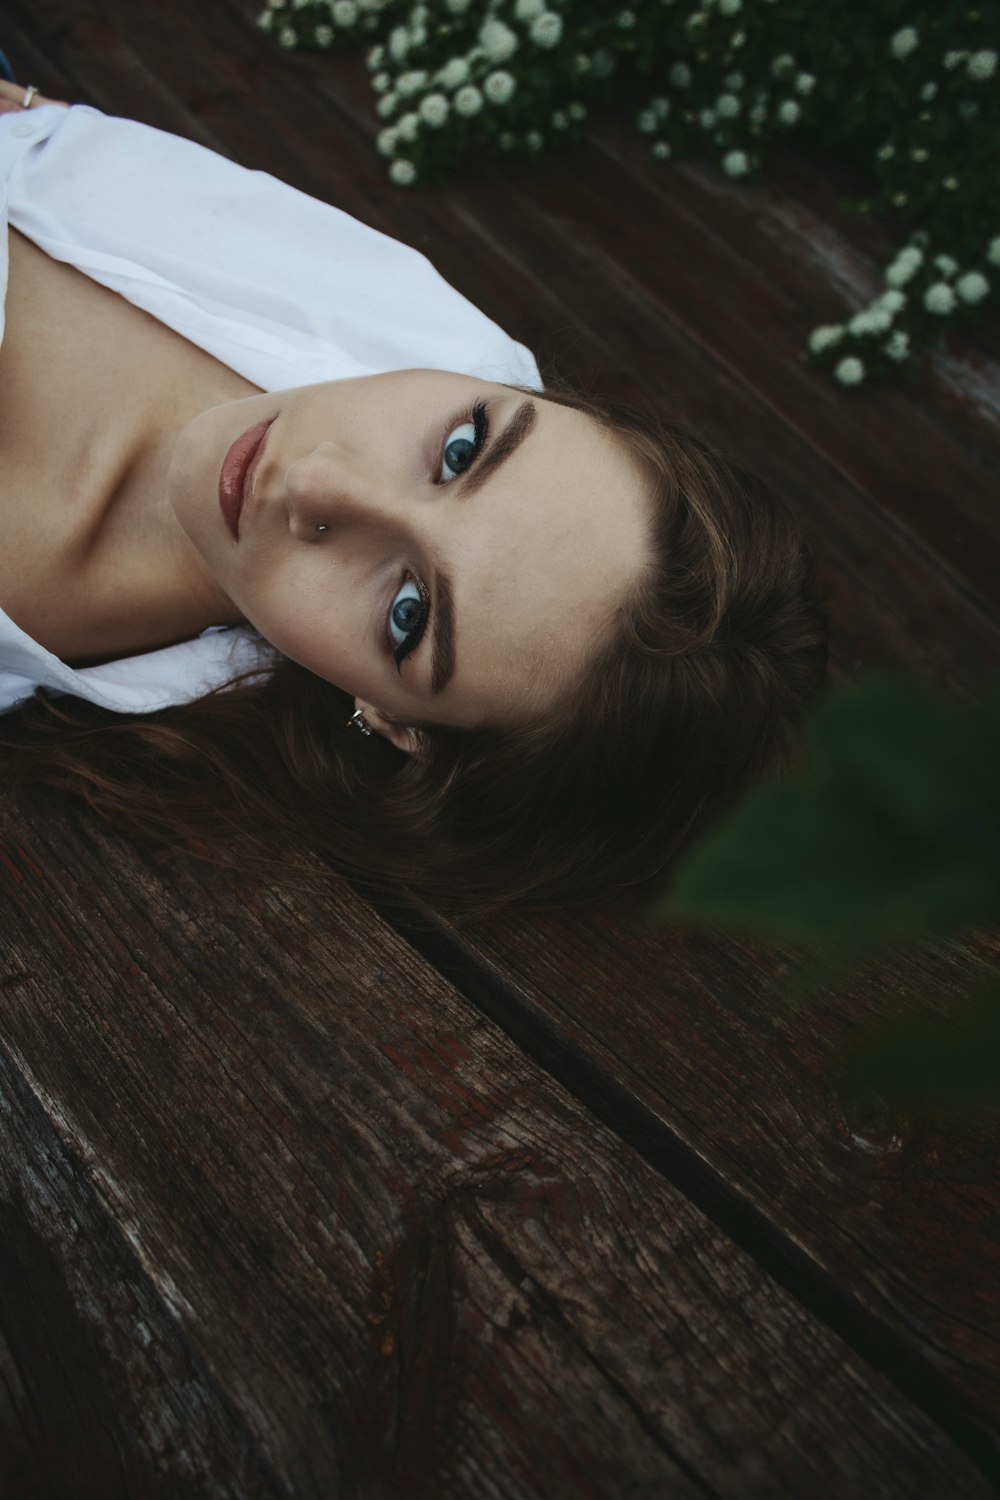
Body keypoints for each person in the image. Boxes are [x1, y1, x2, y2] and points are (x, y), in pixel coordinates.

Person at [0, 77, 830, 913]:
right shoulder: (437, 339)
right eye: (464, 450)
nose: (319, 479)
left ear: (397, 725)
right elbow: (55, 135)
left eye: (407, 612)